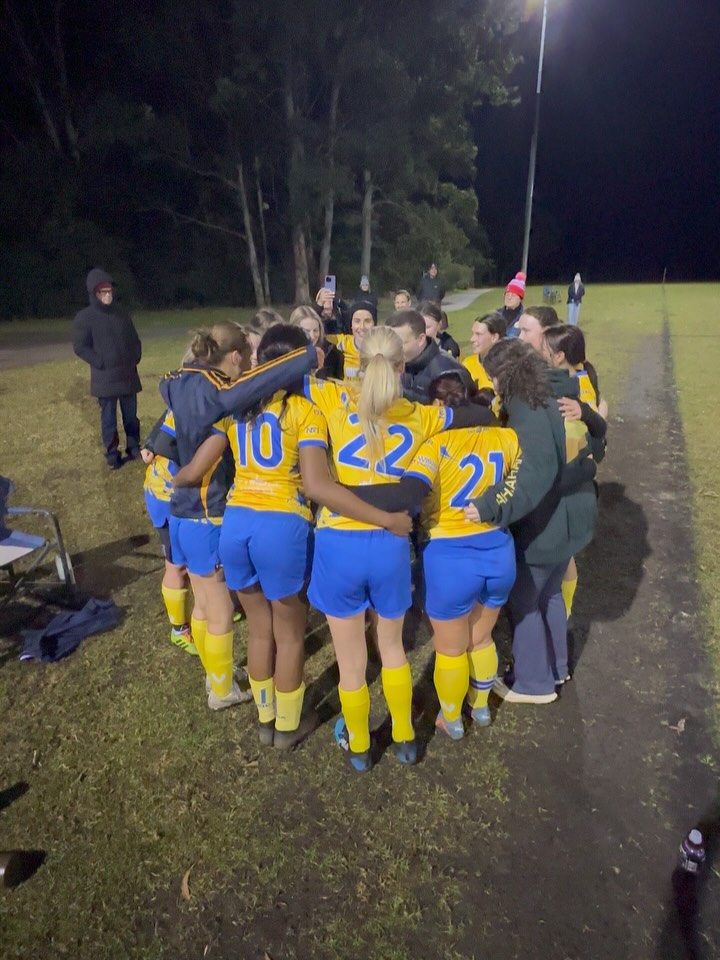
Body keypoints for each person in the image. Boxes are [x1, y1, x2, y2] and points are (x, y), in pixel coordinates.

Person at [173, 324, 411, 748]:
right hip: (279, 525)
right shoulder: (305, 411)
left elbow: (198, 463)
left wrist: (175, 479)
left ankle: (264, 718)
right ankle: (287, 725)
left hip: (236, 523)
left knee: (259, 629)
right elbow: (317, 483)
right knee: (288, 633)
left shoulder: (237, 408)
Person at [303, 327, 495, 772]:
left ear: (358, 361)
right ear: (402, 366)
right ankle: (406, 739)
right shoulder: (421, 415)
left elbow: (280, 377)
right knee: (391, 648)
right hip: (390, 543)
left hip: (338, 539)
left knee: (350, 660)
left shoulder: (331, 399)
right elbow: (472, 418)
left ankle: (357, 746)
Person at [157, 322, 318, 711]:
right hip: (211, 513)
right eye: (245, 358)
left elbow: (160, 439)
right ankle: (225, 689)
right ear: (234, 357)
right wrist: (183, 477)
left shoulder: (178, 384)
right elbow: (199, 465)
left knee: (208, 605)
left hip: (189, 516)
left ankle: (225, 682)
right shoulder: (224, 401)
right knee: (224, 613)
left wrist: (168, 478)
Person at [464, 339, 598, 704]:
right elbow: (589, 448)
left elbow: (534, 471)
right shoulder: (555, 393)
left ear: (507, 374)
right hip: (570, 516)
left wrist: (492, 505)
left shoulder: (528, 407)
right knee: (549, 594)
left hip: (547, 522)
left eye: (493, 377)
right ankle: (556, 666)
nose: (492, 385)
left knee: (524, 602)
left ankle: (534, 683)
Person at [72, 268, 142, 470]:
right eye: (103, 292)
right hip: (105, 378)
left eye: (109, 291)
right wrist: (100, 361)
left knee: (130, 416)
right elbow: (80, 346)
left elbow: (134, 339)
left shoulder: (121, 314)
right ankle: (112, 453)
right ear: (94, 294)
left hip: (128, 375)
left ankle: (134, 446)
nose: (107, 295)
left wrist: (135, 357)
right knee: (109, 418)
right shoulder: (85, 318)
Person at [387, 309, 472, 404]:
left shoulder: (446, 372)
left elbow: (459, 415)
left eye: (400, 343)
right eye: (390, 342)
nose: (391, 348)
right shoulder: (395, 363)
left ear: (421, 339)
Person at [288, 305, 343, 380]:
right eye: (306, 331)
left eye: (315, 330)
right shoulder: (285, 356)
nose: (312, 336)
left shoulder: (332, 355)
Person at [330, 300, 377, 381]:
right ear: (351, 325)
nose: (362, 327)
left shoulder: (383, 348)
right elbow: (317, 336)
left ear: (375, 325)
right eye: (357, 321)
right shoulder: (342, 343)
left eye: (367, 321)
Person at [462, 312, 505, 393]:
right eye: (473, 333)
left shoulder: (510, 366)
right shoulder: (467, 365)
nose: (472, 339)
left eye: (478, 334)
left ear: (494, 337)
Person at [498, 272, 527, 337]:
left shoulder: (525, 317)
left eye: (513, 295)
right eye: (507, 294)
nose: (509, 297)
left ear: (520, 299)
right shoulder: (496, 314)